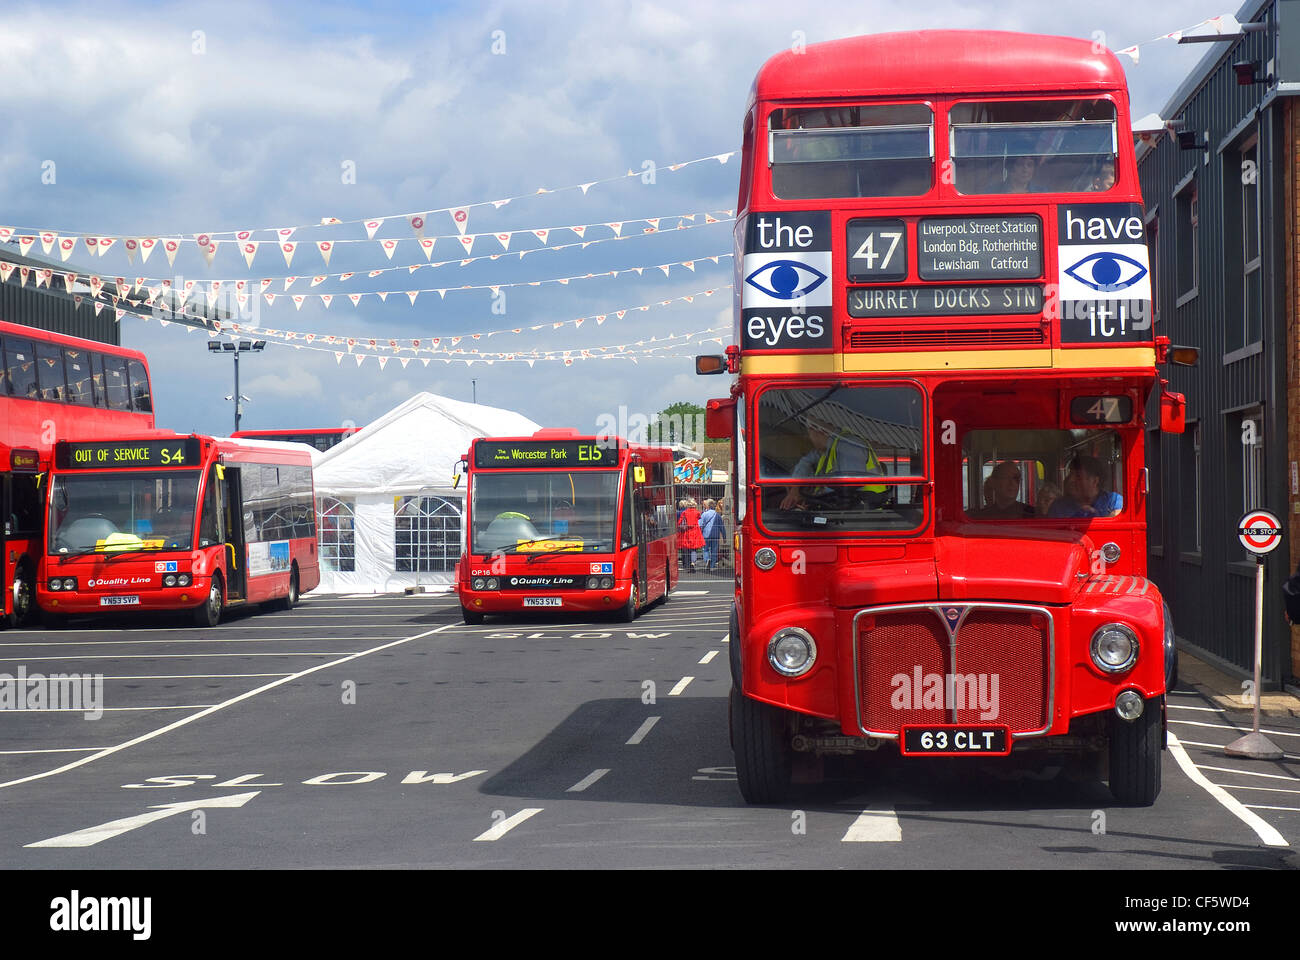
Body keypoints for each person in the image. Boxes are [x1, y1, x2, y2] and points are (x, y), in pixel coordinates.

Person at [780, 418, 884, 510]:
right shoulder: (828, 449)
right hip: (849, 510)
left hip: (865, 516)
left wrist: (815, 500)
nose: (809, 438)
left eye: (809, 432)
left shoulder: (847, 446)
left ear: (817, 430)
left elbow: (848, 489)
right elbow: (806, 461)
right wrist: (796, 489)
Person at [1048, 455, 1123, 518]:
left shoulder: (1113, 501)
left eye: (1078, 476)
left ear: (1095, 481)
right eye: (1070, 475)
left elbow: (1121, 514)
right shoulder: (1058, 507)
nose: (1070, 480)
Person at [677, 497, 704, 572]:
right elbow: (699, 519)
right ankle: (693, 562)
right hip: (695, 531)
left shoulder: (685, 512)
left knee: (687, 549)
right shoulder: (697, 512)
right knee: (694, 549)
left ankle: (688, 565)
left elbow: (679, 523)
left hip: (687, 532)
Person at [699, 499, 724, 572]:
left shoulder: (704, 514)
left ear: (707, 506)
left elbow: (700, 524)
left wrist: (700, 533)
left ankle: (707, 559)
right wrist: (724, 536)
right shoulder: (717, 515)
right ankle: (712, 566)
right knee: (714, 550)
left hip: (706, 534)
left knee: (705, 549)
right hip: (716, 534)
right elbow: (721, 526)